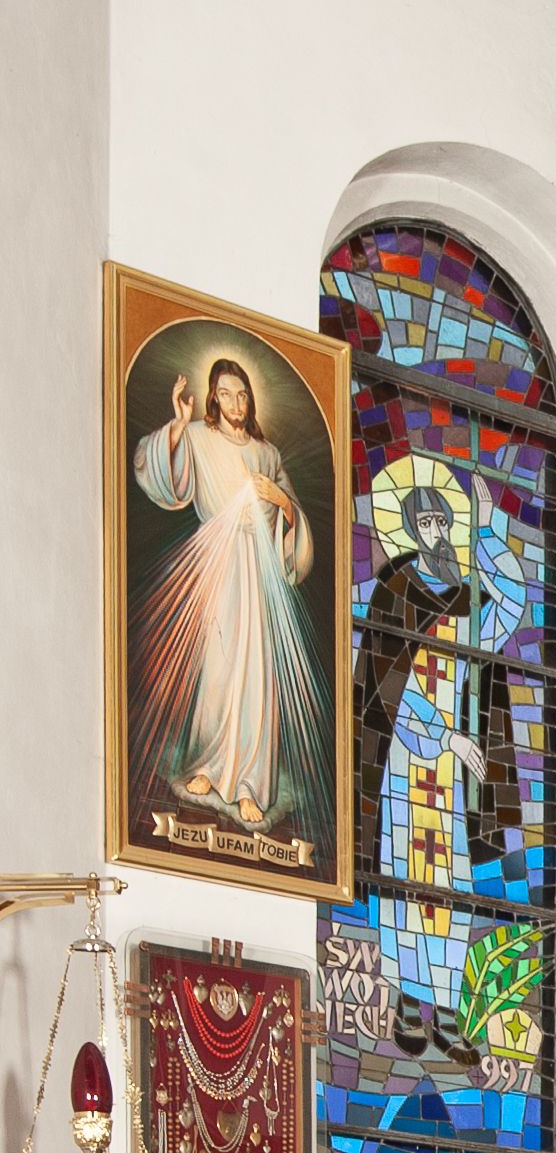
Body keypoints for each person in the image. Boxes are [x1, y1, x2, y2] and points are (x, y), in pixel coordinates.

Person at [354, 475, 527, 1060]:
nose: (435, 533)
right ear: (410, 530)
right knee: (406, 878)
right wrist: (445, 736)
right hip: (408, 763)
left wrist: (488, 529)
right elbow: (388, 686)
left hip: (450, 779)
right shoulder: (394, 592)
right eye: (424, 524)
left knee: (450, 888)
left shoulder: (468, 600)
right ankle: (407, 1002)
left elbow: (512, 602)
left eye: (442, 522)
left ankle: (447, 1013)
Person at [131, 354, 324, 840]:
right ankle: (208, 766)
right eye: (225, 394)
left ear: (249, 400)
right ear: (213, 398)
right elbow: (154, 471)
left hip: (259, 567)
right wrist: (178, 425)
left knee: (257, 675)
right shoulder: (198, 436)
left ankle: (249, 785)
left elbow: (294, 519)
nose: (235, 403)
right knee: (218, 667)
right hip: (218, 557)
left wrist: (280, 500)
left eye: (242, 395)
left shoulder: (267, 453)